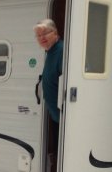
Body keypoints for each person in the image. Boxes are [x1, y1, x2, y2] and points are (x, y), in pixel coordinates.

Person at [33, 18, 63, 172]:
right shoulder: (50, 52)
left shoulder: (61, 51)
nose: (42, 38)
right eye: (38, 35)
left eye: (45, 33)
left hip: (65, 118)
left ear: (55, 33)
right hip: (56, 115)